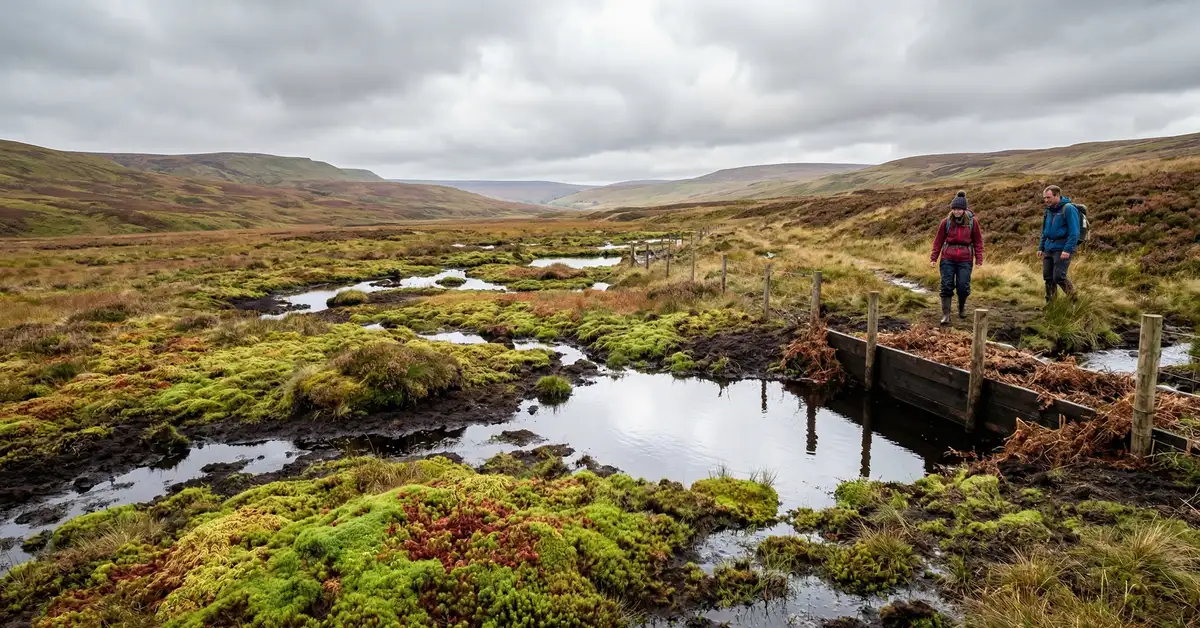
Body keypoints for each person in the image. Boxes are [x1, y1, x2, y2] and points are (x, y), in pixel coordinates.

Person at [930, 191, 984, 325]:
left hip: (965, 259)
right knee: (946, 285)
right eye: (954, 209)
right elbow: (938, 241)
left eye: (959, 209)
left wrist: (979, 259)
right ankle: (946, 315)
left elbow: (978, 241)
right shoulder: (946, 222)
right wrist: (933, 258)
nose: (956, 212)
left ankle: (961, 308)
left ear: (964, 209)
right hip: (948, 257)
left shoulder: (972, 222)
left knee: (963, 286)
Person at [1037, 185, 1080, 303]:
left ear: (1057, 195)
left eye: (1048, 197)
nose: (1046, 200)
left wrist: (1067, 249)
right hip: (1048, 248)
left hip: (1062, 248)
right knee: (1048, 277)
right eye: (1044, 198)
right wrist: (1041, 247)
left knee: (1059, 277)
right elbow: (1045, 231)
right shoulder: (1048, 211)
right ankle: (1051, 304)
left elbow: (1074, 232)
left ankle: (1074, 301)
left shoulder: (1069, 209)